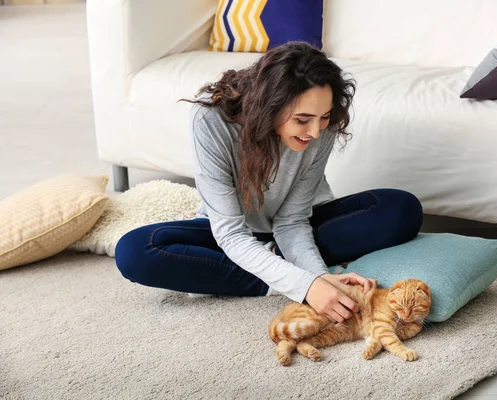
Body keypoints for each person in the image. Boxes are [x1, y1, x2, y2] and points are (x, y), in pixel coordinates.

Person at [114, 41, 423, 324]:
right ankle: (275, 273)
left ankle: (270, 265)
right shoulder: (210, 118)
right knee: (134, 251)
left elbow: (292, 220)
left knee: (400, 209)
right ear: (270, 107)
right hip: (228, 232)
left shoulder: (320, 126)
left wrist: (317, 277)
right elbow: (231, 234)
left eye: (324, 117)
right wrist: (305, 286)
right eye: (302, 120)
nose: (315, 132)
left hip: (296, 228)